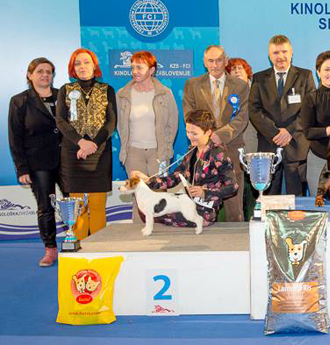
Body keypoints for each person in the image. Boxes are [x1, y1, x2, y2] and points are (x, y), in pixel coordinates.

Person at [136, 110, 238, 228]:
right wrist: (148, 180)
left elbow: (233, 187)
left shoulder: (219, 154)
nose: (189, 136)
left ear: (208, 132)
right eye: (187, 132)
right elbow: (174, 178)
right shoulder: (191, 152)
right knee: (146, 208)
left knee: (152, 211)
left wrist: (205, 192)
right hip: (188, 203)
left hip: (204, 211)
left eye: (194, 133)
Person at [55, 48, 117, 240]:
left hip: (99, 153)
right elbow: (61, 121)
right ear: (72, 68)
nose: (82, 66)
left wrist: (93, 144)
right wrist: (81, 142)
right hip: (73, 153)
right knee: (78, 208)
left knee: (98, 206)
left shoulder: (107, 90)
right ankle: (80, 246)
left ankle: (98, 248)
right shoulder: (65, 90)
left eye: (86, 62)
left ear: (94, 65)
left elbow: (111, 122)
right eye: (77, 63)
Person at [183, 45, 248, 221]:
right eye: (210, 61)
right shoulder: (192, 85)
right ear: (204, 63)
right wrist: (208, 137)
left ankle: (236, 236)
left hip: (232, 147)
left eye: (219, 60)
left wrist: (221, 135)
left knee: (234, 206)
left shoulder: (241, 86)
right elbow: (189, 116)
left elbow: (242, 117)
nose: (215, 65)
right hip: (202, 151)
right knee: (201, 204)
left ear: (226, 61)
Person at [8, 58, 62, 266]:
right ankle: (50, 249)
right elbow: (15, 137)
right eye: (40, 71)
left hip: (67, 161)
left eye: (49, 71)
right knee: (45, 207)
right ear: (30, 75)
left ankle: (79, 242)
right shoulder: (19, 101)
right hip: (38, 163)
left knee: (74, 204)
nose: (45, 75)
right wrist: (21, 168)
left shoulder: (64, 95)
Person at [249, 34, 315, 196]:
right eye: (276, 53)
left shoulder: (305, 76)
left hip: (296, 144)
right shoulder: (259, 78)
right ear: (269, 56)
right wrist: (275, 133)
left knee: (297, 197)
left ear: (291, 53)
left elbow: (310, 108)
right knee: (270, 197)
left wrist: (289, 131)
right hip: (269, 145)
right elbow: (254, 110)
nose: (280, 56)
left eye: (284, 52)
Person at [116, 51, 178, 222]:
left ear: (151, 70)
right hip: (133, 153)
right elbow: (121, 125)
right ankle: (138, 232)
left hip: (158, 154)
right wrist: (126, 148)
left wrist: (165, 150)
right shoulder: (122, 94)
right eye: (133, 67)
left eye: (140, 67)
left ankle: (161, 231)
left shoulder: (165, 93)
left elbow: (172, 124)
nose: (135, 71)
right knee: (138, 196)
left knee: (159, 195)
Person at [300, 51, 330, 196]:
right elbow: (308, 131)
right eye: (326, 69)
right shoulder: (311, 98)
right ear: (318, 72)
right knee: (318, 202)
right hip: (318, 158)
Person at [226, 57, 257, 221]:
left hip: (253, 145)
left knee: (255, 189)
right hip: (231, 147)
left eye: (240, 68)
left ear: (248, 73)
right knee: (235, 188)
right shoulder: (225, 93)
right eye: (233, 69)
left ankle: (255, 220)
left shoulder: (256, 93)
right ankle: (236, 222)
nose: (237, 71)